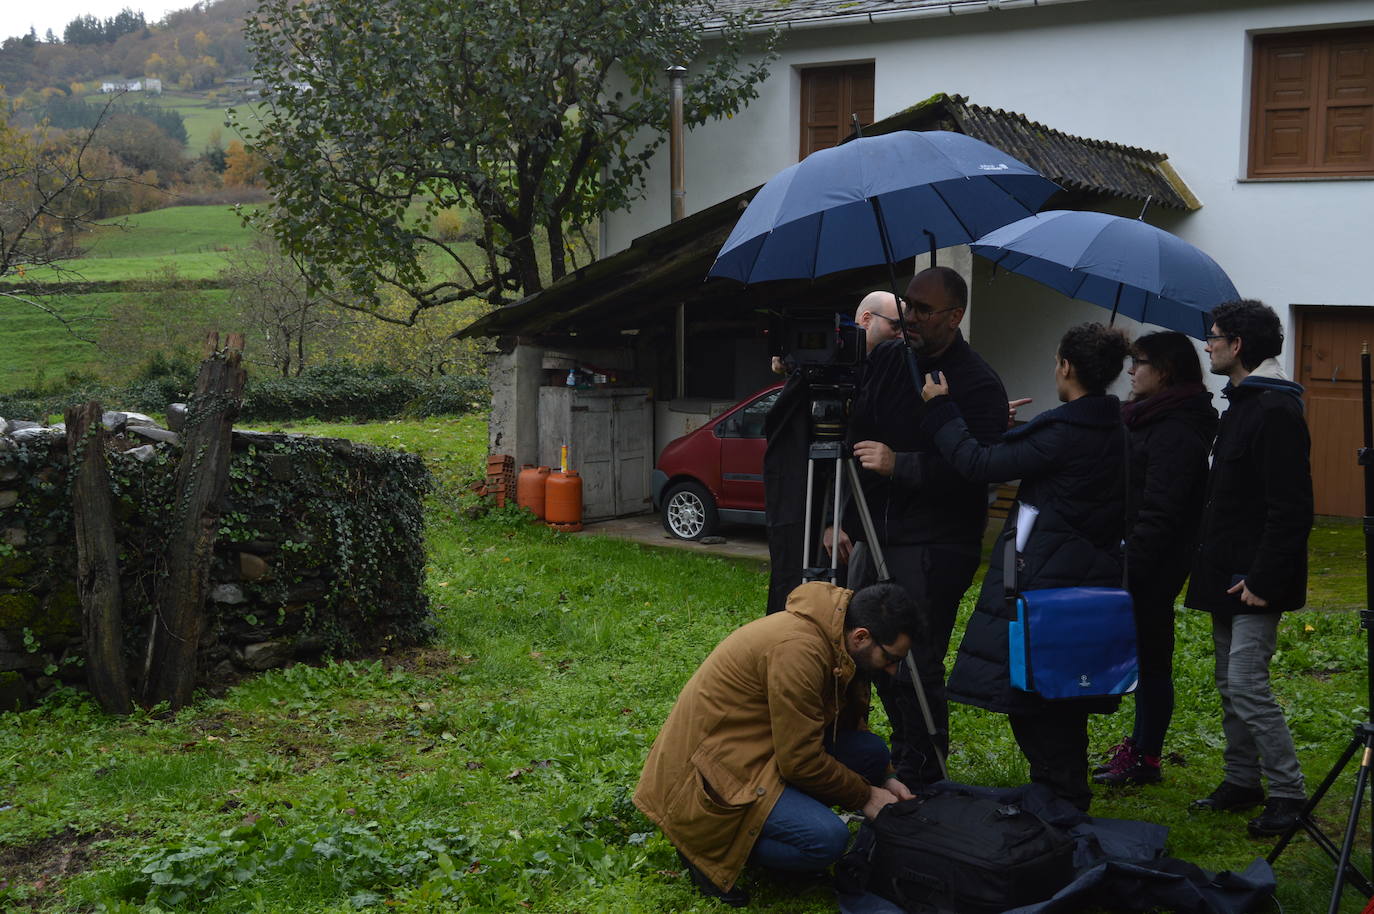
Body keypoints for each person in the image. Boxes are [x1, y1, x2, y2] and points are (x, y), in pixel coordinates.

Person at [919, 322, 1130, 811]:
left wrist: (940, 410)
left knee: (1032, 700)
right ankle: (1063, 791)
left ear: (1066, 367)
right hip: (1091, 581)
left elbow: (976, 463)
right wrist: (1017, 431)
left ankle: (1060, 796)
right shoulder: (1114, 430)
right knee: (1062, 695)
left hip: (1046, 584)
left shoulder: (1064, 432)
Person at [825, 266, 1009, 786]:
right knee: (871, 652)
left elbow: (980, 469)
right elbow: (856, 434)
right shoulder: (886, 358)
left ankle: (925, 765)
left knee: (914, 658)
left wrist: (901, 464)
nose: (910, 317)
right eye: (906, 305)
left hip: (935, 543)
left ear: (955, 316)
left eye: (924, 310)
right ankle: (896, 749)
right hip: (874, 534)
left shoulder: (977, 382)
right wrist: (840, 521)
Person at [634, 581, 922, 906]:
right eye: (891, 658)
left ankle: (776, 822)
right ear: (861, 637)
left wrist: (885, 777)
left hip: (761, 752)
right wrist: (865, 794)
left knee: (871, 753)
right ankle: (705, 847)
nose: (893, 668)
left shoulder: (837, 639)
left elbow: (840, 724)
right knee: (827, 841)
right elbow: (799, 761)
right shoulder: (798, 650)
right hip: (711, 775)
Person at [1185, 300, 1312, 838]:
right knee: (1225, 682)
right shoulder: (1242, 403)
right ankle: (1242, 781)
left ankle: (1289, 793)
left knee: (1246, 683)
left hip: (1256, 578)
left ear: (1238, 346)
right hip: (1225, 570)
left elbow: (1292, 508)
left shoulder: (1275, 409)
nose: (1207, 344)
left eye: (1214, 337)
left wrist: (1263, 580)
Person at [1093, 332, 1218, 788]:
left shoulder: (1177, 429)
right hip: (1134, 556)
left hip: (1152, 563)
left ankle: (1146, 755)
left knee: (1151, 658)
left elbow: (1161, 510)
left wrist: (1130, 564)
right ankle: (1140, 746)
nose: (1130, 370)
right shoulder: (1147, 417)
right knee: (1140, 655)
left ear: (1164, 370)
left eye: (1139, 362)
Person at [762, 290, 904, 615]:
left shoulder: (888, 367)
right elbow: (796, 458)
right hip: (821, 497)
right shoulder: (822, 360)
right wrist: (829, 522)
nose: (901, 335)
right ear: (866, 319)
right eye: (896, 326)